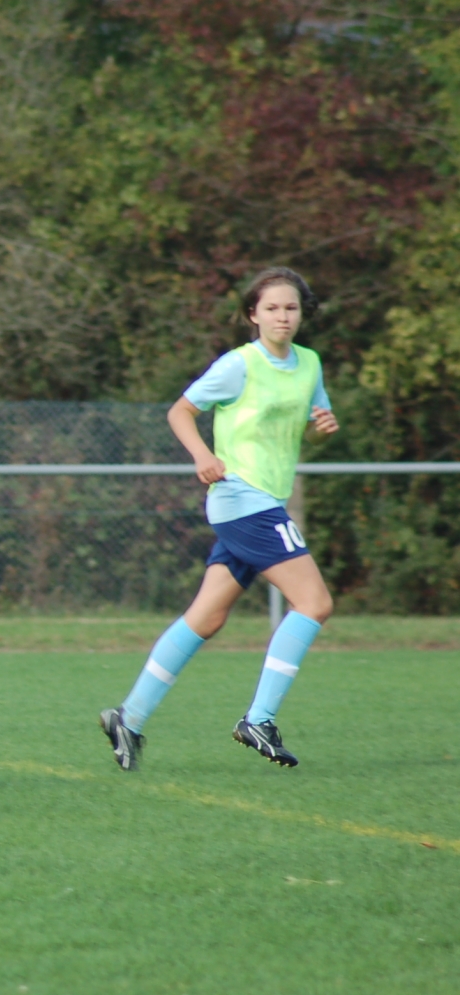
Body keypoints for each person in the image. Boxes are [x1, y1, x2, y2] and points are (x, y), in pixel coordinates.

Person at [100, 267, 338, 770]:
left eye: (291, 308)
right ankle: (260, 719)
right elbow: (180, 411)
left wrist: (321, 427)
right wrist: (202, 455)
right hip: (244, 498)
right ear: (253, 314)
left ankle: (128, 717)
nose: (282, 316)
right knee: (314, 602)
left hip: (265, 499)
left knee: (206, 617)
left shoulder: (310, 364)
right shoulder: (239, 365)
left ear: (302, 313)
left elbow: (309, 429)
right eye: (271, 308)